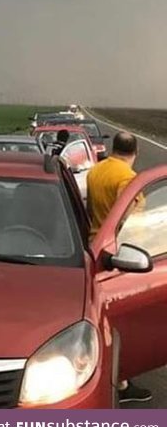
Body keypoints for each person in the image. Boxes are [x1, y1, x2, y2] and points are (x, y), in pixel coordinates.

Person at [86, 131, 151, 405]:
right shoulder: (127, 178)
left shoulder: (95, 171)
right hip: (116, 253)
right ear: (135, 152)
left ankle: (119, 379)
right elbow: (130, 219)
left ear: (114, 148)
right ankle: (120, 380)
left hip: (92, 244)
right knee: (119, 318)